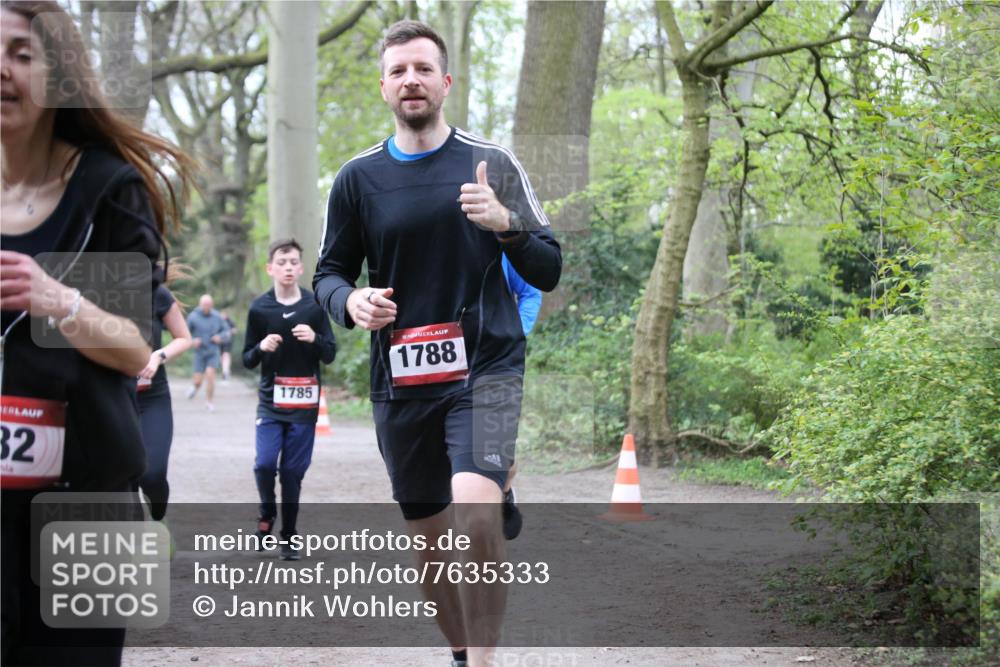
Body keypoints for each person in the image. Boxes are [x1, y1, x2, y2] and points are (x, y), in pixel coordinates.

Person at [314, 20, 560, 667]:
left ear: (445, 81)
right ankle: (459, 651)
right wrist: (351, 301)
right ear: (383, 87)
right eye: (398, 71)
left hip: (487, 367)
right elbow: (328, 274)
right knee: (429, 546)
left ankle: (481, 662)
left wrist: (507, 226)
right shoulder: (357, 180)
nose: (411, 80)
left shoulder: (492, 164)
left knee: (475, 518)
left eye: (422, 68)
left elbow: (549, 267)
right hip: (402, 383)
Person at [0, 1, 192, 664]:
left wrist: (57, 298)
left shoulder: (103, 188)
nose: (3, 70)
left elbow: (134, 345)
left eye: (21, 54)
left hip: (86, 500)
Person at [244, 238, 336, 561]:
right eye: (281, 262)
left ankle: (290, 536)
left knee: (293, 473)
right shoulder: (259, 309)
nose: (287, 267)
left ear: (300, 268)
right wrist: (260, 348)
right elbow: (247, 359)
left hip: (305, 405)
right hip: (271, 403)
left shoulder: (314, 307)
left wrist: (315, 338)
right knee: (265, 464)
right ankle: (267, 513)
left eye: (293, 262)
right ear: (270, 268)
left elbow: (330, 353)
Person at [136, 275, 192, 521]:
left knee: (153, 474)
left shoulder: (156, 293)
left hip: (152, 398)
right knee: (120, 477)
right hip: (112, 396)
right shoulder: (95, 293)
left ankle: (158, 519)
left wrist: (158, 355)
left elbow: (184, 338)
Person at [498, 255, 542, 540]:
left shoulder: (496, 245)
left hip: (496, 362)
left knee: (501, 455)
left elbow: (530, 292)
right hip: (441, 365)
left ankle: (503, 491)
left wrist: (515, 333)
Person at [185, 293, 229, 411]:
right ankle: (195, 387)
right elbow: (184, 334)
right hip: (199, 352)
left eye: (209, 304)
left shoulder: (217, 316)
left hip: (213, 350)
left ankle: (209, 402)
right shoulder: (193, 316)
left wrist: (220, 337)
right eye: (204, 304)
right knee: (198, 380)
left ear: (212, 305)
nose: (206, 306)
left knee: (210, 375)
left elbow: (226, 332)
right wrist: (193, 340)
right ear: (200, 304)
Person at [219, 309, 236, 381]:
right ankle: (225, 370)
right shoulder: (218, 322)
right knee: (221, 357)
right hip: (220, 342)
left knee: (226, 356)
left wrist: (230, 332)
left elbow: (234, 330)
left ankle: (225, 371)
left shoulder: (230, 322)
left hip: (227, 342)